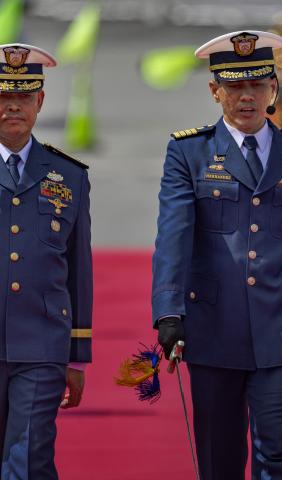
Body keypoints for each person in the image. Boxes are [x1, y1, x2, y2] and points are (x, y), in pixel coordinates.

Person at [152, 30, 282, 480]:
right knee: (220, 461)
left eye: (257, 85)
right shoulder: (189, 153)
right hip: (213, 330)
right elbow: (173, 236)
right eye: (235, 86)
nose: (247, 97)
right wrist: (168, 310)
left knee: (279, 456)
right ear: (214, 90)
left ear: (273, 89)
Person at [0, 44, 92, 479]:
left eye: (23, 95)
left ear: (40, 101)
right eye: (2, 95)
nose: (12, 105)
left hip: (41, 344)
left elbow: (78, 271)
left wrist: (76, 356)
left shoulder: (69, 175)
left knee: (30, 459)